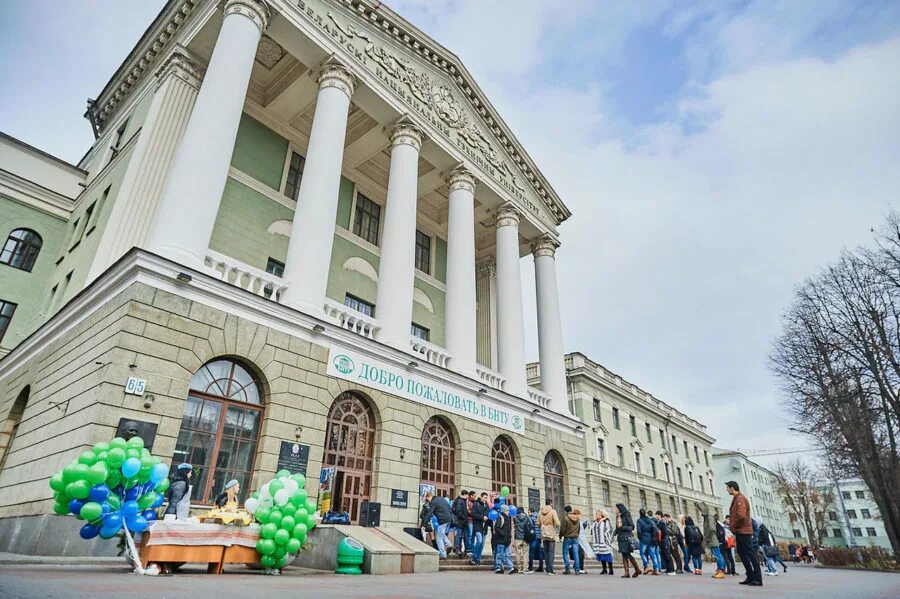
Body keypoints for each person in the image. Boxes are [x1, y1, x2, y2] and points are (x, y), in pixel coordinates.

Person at [727, 481, 762, 586]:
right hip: (740, 531)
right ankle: (750, 576)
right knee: (742, 553)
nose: (727, 490)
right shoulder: (737, 499)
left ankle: (757, 578)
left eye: (728, 488)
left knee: (750, 554)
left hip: (744, 531)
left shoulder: (740, 499)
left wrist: (733, 526)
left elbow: (741, 516)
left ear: (732, 488)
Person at [422, 492, 453, 558]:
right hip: (449, 519)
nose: (428, 501)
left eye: (427, 499)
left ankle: (442, 554)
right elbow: (449, 508)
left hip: (442, 520)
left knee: (439, 538)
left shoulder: (433, 502)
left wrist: (424, 523)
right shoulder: (441, 499)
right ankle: (449, 544)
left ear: (429, 496)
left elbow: (429, 513)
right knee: (441, 533)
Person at [614, 503, 641, 578]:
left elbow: (632, 526)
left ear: (620, 509)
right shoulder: (618, 517)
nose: (615, 510)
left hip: (627, 537)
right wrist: (615, 532)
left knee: (627, 554)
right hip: (621, 538)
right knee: (624, 555)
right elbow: (618, 527)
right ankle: (627, 572)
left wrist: (623, 528)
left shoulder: (626, 515)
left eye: (616, 508)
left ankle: (637, 569)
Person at [703, 505, 726, 578]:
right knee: (718, 555)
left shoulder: (709, 517)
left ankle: (721, 571)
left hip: (712, 539)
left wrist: (706, 536)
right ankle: (720, 570)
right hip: (712, 539)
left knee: (718, 555)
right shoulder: (707, 517)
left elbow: (712, 528)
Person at [538, 500, 560, 575]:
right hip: (551, 533)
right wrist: (553, 525)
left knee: (546, 552)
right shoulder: (553, 511)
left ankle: (547, 569)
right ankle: (550, 570)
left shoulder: (540, 511)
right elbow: (557, 523)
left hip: (544, 533)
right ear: (551, 503)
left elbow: (538, 523)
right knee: (551, 552)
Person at [559, 505, 583, 575]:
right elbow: (578, 529)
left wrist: (560, 536)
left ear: (565, 511)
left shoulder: (565, 518)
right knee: (576, 554)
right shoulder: (577, 518)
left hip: (568, 538)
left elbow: (562, 529)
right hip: (575, 538)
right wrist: (577, 535)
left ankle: (567, 568)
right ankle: (577, 569)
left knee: (565, 553)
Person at [493, 504, 515, 574]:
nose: (508, 512)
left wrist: (509, 537)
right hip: (501, 539)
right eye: (507, 511)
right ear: (504, 511)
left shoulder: (508, 518)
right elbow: (497, 528)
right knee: (500, 554)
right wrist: (503, 534)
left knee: (508, 554)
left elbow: (508, 529)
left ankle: (511, 567)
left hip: (507, 540)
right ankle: (498, 568)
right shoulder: (500, 517)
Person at [591, 509, 614, 575]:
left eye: (598, 514)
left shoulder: (605, 521)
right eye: (596, 514)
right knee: (601, 555)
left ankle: (611, 570)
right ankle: (604, 569)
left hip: (604, 541)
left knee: (607, 555)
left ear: (602, 515)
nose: (597, 515)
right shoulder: (595, 522)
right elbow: (593, 531)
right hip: (598, 542)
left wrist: (606, 536)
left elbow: (610, 530)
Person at [636, 508, 659, 575]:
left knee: (642, 553)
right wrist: (653, 537)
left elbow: (639, 531)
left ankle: (647, 566)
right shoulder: (650, 520)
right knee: (653, 554)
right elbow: (654, 529)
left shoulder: (639, 521)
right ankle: (656, 569)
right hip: (651, 539)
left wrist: (640, 538)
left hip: (643, 539)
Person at [469, 492, 489, 566]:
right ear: (481, 497)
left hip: (484, 527)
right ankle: (474, 557)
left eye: (486, 498)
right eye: (484, 498)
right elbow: (473, 514)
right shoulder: (476, 504)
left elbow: (488, 514)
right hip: (477, 526)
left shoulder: (487, 505)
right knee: (479, 541)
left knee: (482, 544)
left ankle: (478, 559)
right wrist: (482, 517)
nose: (485, 499)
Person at [513, 506, 532, 574]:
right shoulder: (527, 518)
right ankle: (525, 568)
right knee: (525, 553)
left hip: (518, 537)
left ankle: (519, 568)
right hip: (525, 538)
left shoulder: (515, 518)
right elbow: (530, 526)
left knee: (518, 553)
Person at [655, 510, 675, 575]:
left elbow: (663, 532)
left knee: (667, 555)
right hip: (663, 541)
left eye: (656, 515)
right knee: (665, 555)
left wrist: (660, 539)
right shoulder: (660, 522)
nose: (656, 516)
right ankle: (668, 569)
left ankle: (671, 570)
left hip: (664, 541)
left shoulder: (661, 522)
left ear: (659, 515)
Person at [710, 511, 728, 579]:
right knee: (720, 556)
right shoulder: (720, 525)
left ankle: (721, 570)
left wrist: (719, 541)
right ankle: (720, 569)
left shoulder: (718, 525)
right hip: (721, 542)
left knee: (720, 556)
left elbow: (720, 534)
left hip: (720, 543)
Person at [450, 489, 469, 556]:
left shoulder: (461, 500)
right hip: (460, 521)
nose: (467, 497)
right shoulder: (460, 501)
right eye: (467, 495)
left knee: (460, 535)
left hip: (461, 521)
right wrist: (464, 517)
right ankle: (457, 548)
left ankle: (458, 549)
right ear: (464, 495)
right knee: (459, 535)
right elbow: (458, 511)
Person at [528, 507, 544, 572]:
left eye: (528, 512)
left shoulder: (531, 518)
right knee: (540, 552)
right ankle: (541, 566)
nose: (528, 513)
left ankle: (530, 566)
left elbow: (531, 528)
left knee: (531, 552)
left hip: (534, 537)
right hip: (539, 537)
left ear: (531, 512)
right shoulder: (539, 517)